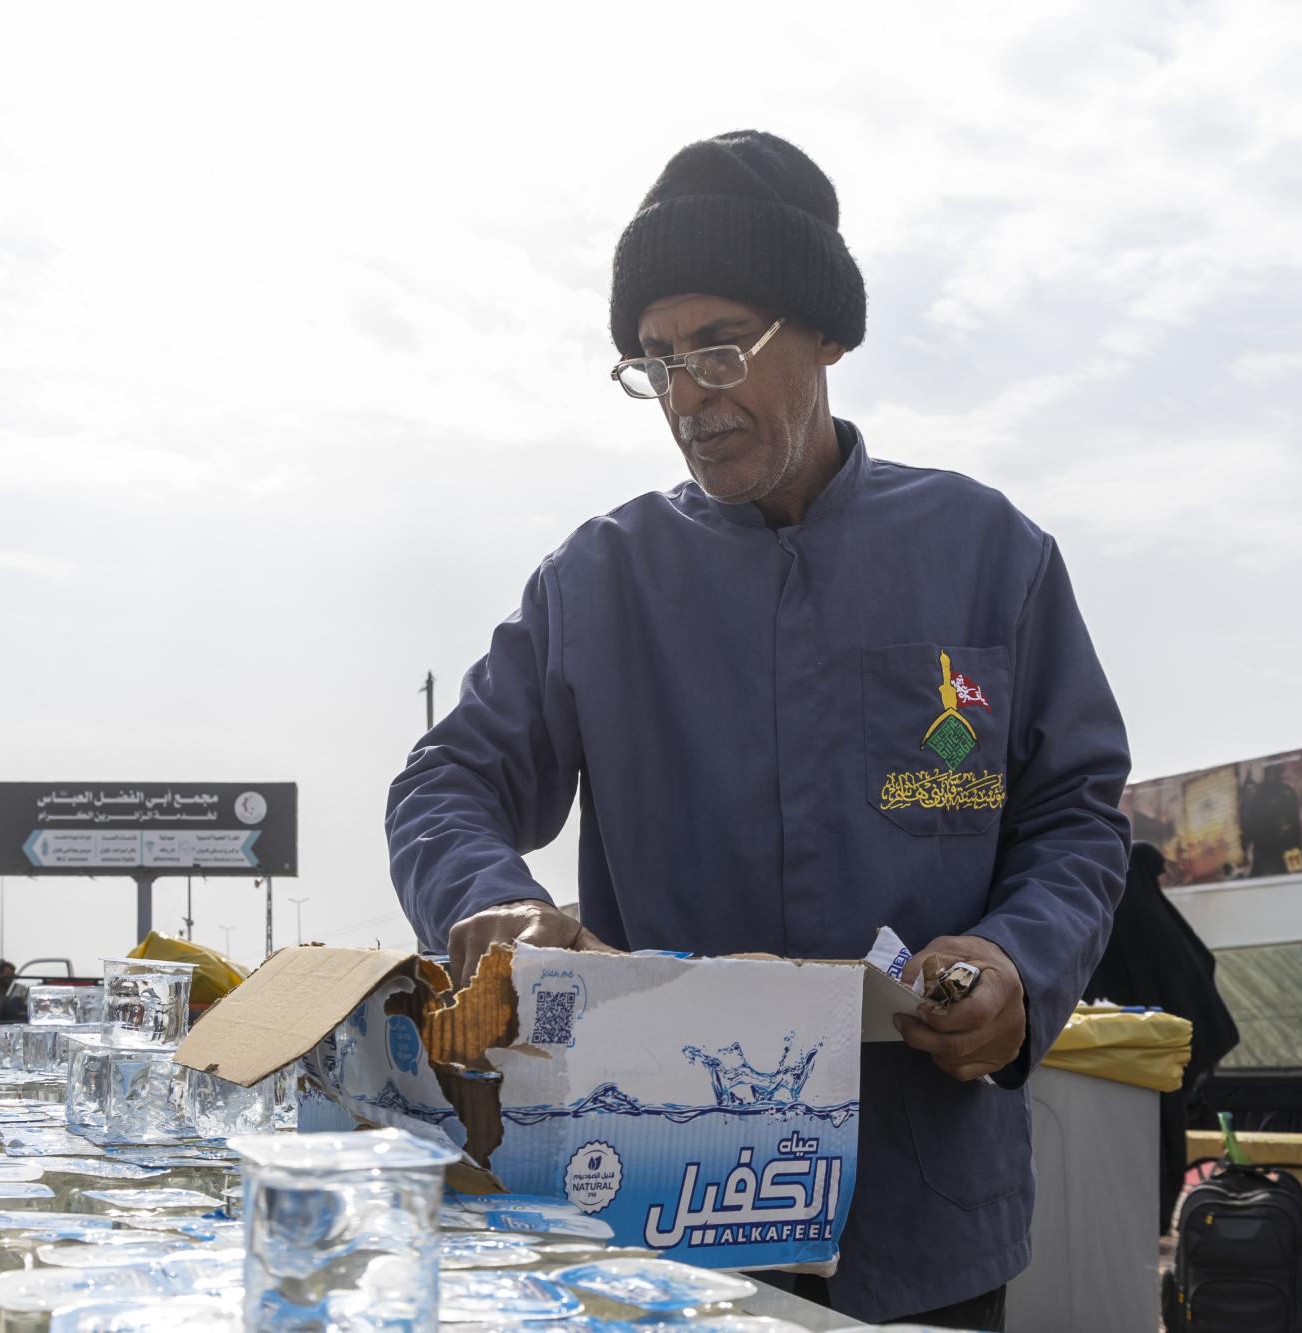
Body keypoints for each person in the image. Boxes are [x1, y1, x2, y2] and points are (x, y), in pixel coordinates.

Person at [385, 131, 1131, 1330]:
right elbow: (445, 783)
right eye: (655, 362)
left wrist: (1016, 965)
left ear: (824, 334)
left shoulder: (988, 556)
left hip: (923, 1214)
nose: (687, 397)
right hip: (653, 1202)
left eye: (719, 348)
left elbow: (1074, 817)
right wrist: (489, 902)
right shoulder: (597, 581)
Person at [1086, 842, 1240, 1232]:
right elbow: (1197, 967)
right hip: (1155, 1062)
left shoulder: (1102, 917)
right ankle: (1152, 1221)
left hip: (1103, 1061)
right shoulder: (1155, 920)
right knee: (1160, 1141)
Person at [0, 959, 27, 1024]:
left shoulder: (20, 990)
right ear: (0, 974)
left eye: (12, 976)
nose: (10, 979)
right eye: (7, 976)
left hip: (14, 1023)